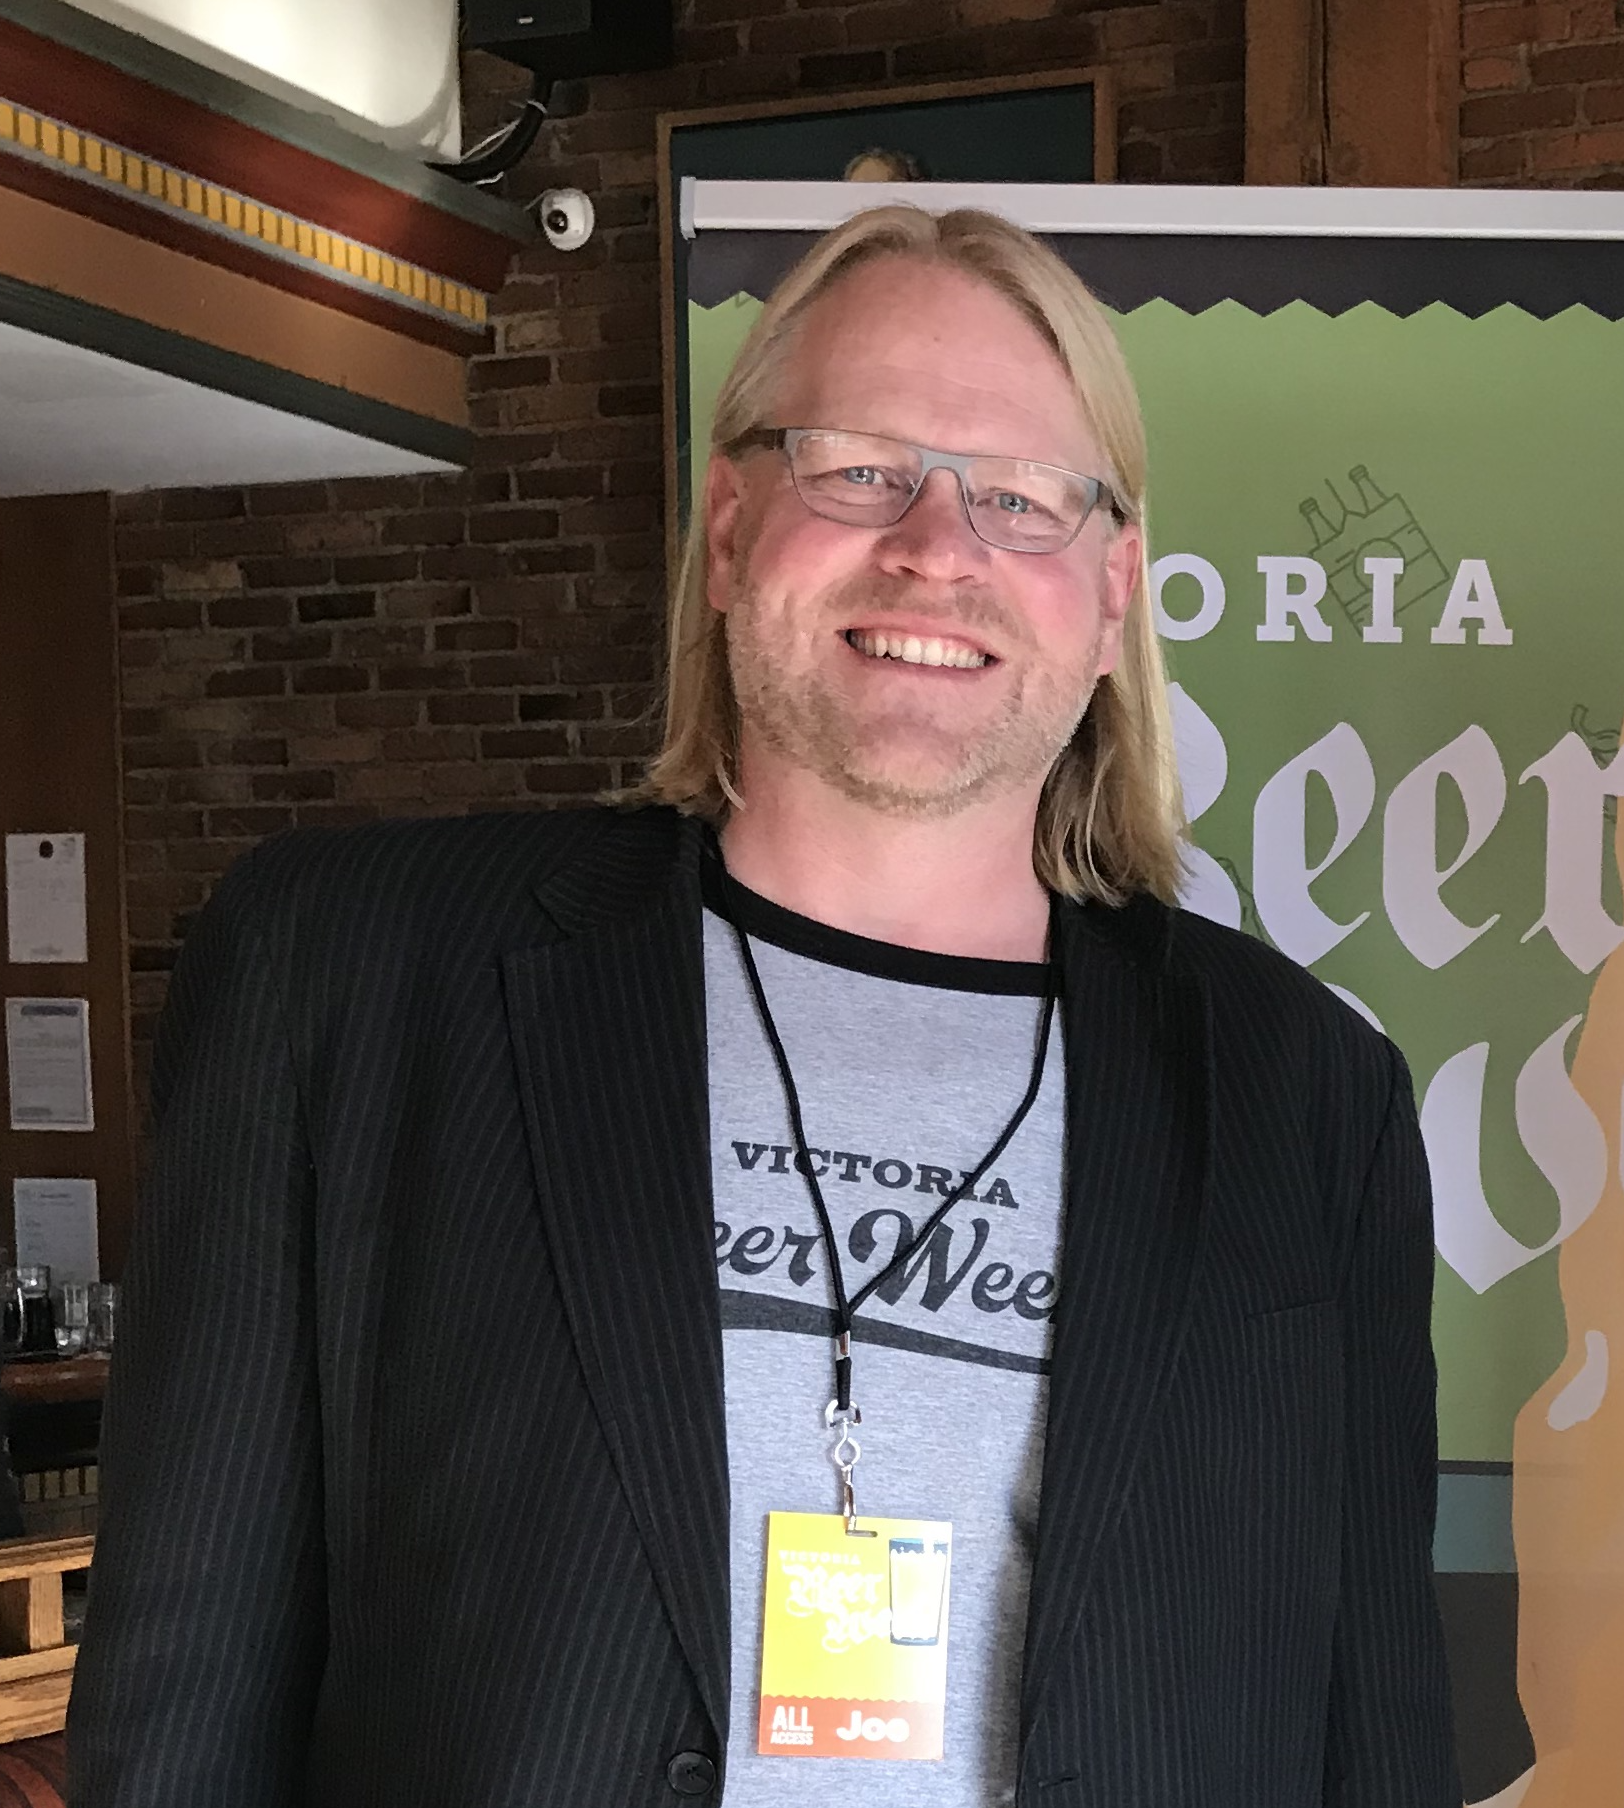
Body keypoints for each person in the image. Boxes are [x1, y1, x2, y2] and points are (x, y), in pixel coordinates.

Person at [67, 204, 1458, 1806]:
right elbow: (182, 1700)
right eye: (859, 468)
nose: (936, 547)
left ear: (1109, 594)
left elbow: (1372, 1727)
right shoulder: (349, 978)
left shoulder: (1305, 1094)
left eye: (1019, 496)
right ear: (729, 532)